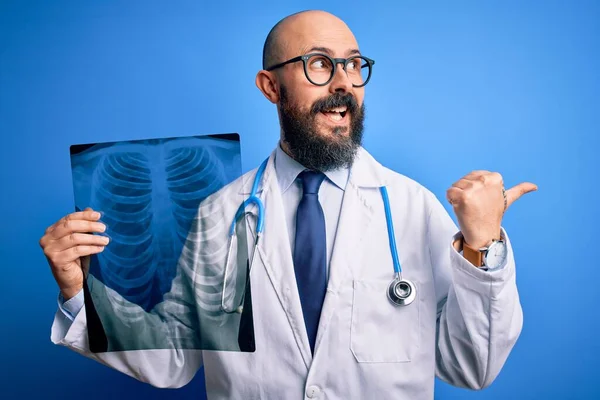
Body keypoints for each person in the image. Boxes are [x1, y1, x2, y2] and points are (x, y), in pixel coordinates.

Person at [40, 10, 537, 399]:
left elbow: (470, 368)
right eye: (319, 63)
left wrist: (483, 246)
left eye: (353, 64)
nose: (343, 81)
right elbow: (174, 358)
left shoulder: (412, 207)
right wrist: (77, 291)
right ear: (270, 86)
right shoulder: (220, 213)